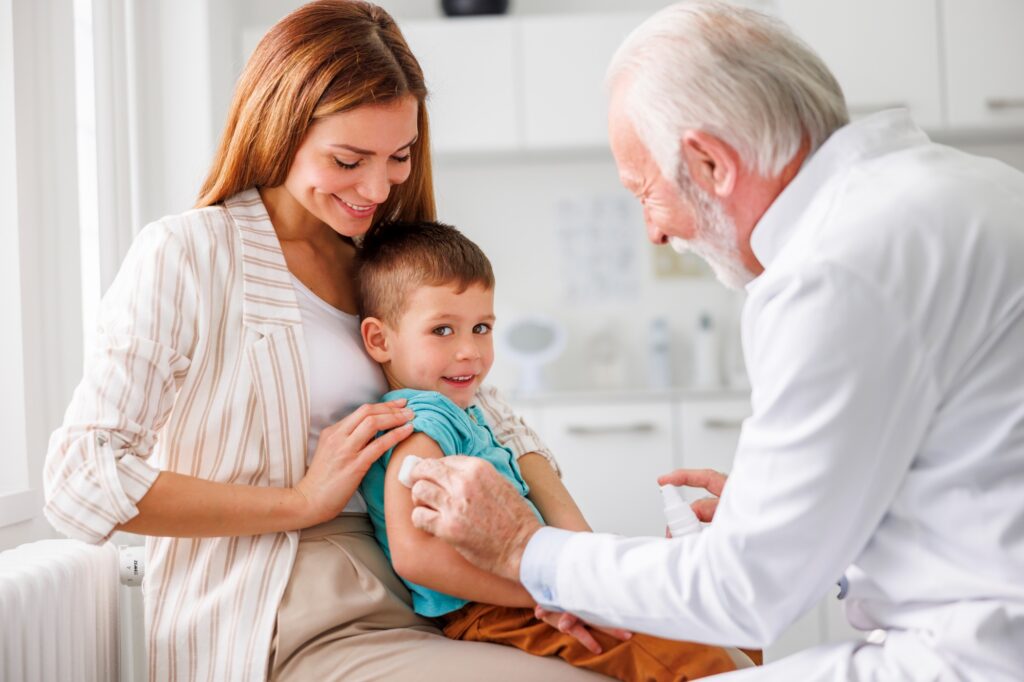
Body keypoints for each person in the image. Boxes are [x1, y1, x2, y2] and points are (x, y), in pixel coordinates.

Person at [403, 2, 1024, 681]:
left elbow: (743, 594)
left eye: (645, 193)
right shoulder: (968, 187)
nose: (655, 233)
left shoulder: (831, 271)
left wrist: (526, 550)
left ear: (709, 162)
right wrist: (795, 513)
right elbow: (970, 477)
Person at [42, 2, 611, 680]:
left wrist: (586, 567)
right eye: (348, 159)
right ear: (280, 129)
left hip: (431, 596)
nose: (377, 187)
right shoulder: (189, 254)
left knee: (673, 660)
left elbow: (495, 419)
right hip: (284, 613)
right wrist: (300, 503)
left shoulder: (385, 265)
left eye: (399, 157)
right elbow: (81, 480)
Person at [352, 220, 760, 680]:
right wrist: (551, 593)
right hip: (496, 607)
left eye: (481, 327)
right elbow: (415, 556)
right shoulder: (424, 425)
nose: (469, 351)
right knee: (698, 660)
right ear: (380, 340)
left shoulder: (466, 414)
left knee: (733, 630)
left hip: (529, 588)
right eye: (442, 330)